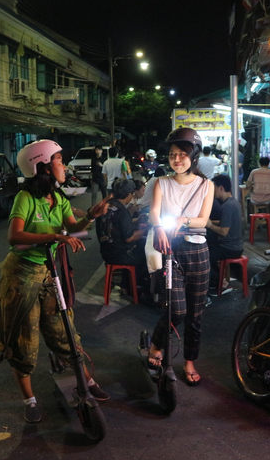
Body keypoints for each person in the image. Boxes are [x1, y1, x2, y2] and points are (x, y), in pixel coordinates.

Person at [0, 139, 112, 424]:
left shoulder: (58, 198)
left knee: (65, 332)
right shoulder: (25, 199)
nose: (63, 164)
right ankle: (29, 400)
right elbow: (15, 236)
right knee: (24, 341)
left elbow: (72, 228)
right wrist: (55, 237)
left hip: (49, 273)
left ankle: (86, 382)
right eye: (58, 159)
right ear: (42, 166)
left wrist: (90, 218)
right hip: (20, 275)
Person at [147, 127, 214, 387]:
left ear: (193, 157)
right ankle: (155, 344)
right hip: (171, 250)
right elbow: (154, 213)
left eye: (182, 155)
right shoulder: (161, 183)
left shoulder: (206, 185)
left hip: (198, 251)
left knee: (195, 316)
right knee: (176, 310)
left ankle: (189, 362)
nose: (177, 160)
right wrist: (161, 227)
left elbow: (204, 220)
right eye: (173, 155)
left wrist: (182, 219)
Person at [96, 178, 149, 294]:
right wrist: (146, 230)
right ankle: (135, 287)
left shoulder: (106, 206)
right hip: (119, 254)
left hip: (106, 251)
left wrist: (135, 223)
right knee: (146, 254)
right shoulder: (121, 211)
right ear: (129, 194)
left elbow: (118, 227)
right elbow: (129, 237)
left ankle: (126, 285)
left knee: (138, 246)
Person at [206, 174, 244, 292]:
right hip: (236, 245)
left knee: (205, 256)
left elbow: (223, 232)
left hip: (230, 248)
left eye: (214, 188)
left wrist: (210, 225)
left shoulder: (227, 206)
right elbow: (225, 222)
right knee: (209, 251)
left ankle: (220, 284)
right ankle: (220, 281)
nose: (213, 191)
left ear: (221, 188)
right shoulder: (234, 202)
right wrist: (209, 222)